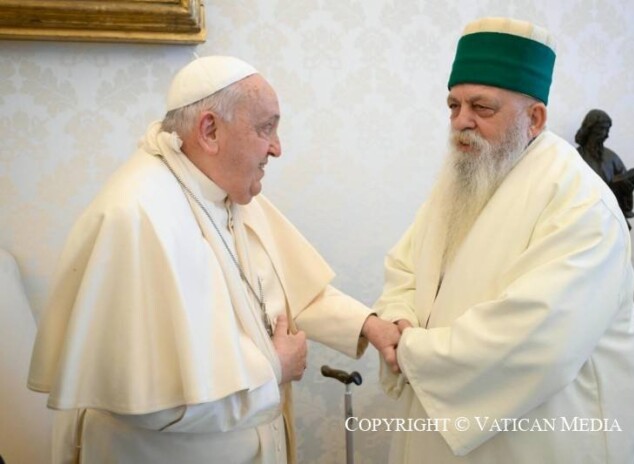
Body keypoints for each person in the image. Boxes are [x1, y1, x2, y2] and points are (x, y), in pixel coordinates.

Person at [28, 56, 400, 464]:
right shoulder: (137, 215)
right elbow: (151, 401)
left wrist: (369, 325)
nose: (277, 147)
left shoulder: (221, 189)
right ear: (209, 130)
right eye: (266, 128)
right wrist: (273, 368)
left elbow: (289, 288)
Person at [374, 17, 634, 463]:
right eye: (454, 106)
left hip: (540, 440)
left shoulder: (579, 203)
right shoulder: (462, 180)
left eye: (482, 108)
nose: (462, 122)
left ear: (534, 118)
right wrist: (399, 316)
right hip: (439, 422)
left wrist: (410, 349)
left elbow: (536, 342)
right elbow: (405, 267)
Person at [575, 109, 634, 223]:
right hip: (585, 219)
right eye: (602, 129)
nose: (606, 135)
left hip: (611, 219)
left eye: (607, 130)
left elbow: (626, 200)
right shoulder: (575, 157)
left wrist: (626, 187)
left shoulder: (612, 158)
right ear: (590, 129)